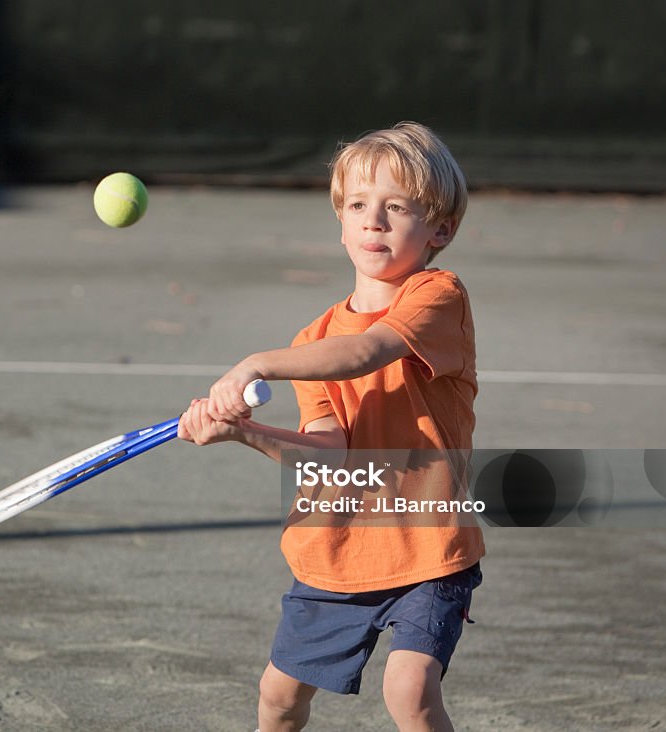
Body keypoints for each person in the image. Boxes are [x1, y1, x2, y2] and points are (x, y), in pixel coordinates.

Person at [178, 121, 484, 732]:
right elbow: (328, 456)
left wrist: (255, 364)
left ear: (440, 230)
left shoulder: (438, 297)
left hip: (428, 547)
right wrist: (241, 431)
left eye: (397, 207)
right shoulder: (312, 341)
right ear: (341, 220)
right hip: (336, 552)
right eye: (358, 205)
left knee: (410, 687)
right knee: (279, 699)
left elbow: (367, 352)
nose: (374, 220)